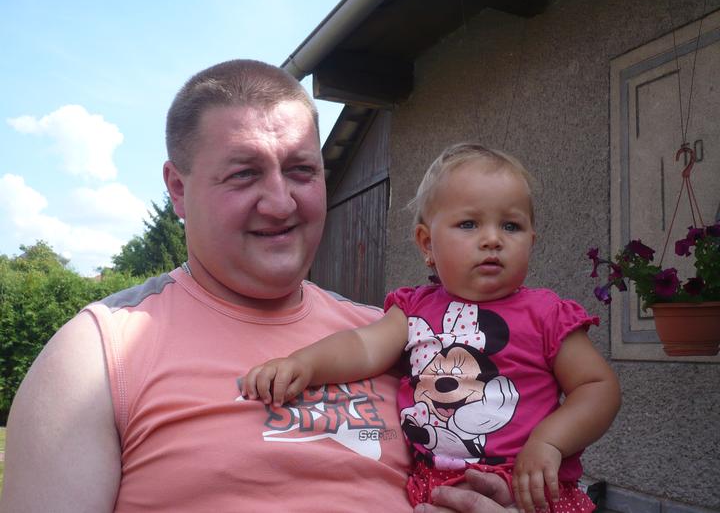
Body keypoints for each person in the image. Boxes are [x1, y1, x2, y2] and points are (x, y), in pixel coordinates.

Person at [0, 60, 517, 513]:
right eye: (245, 174)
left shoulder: (392, 336)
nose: (280, 203)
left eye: (301, 171)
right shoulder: (98, 356)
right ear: (178, 188)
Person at [242, 143, 622, 513]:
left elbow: (597, 387)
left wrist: (550, 442)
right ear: (427, 243)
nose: (493, 239)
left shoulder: (548, 314)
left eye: (512, 226)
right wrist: (304, 364)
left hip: (530, 491)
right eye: (469, 224)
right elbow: (362, 346)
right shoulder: (414, 309)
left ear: (531, 242)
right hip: (433, 488)